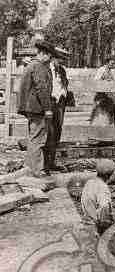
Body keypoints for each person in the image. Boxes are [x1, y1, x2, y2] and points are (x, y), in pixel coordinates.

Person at [17, 39, 55, 177]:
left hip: (32, 108)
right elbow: (42, 89)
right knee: (38, 139)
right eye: (50, 57)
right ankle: (37, 171)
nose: (50, 60)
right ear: (44, 54)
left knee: (33, 138)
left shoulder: (32, 65)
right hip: (37, 108)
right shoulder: (39, 66)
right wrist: (48, 108)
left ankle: (30, 167)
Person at [80, 159, 115, 235]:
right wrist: (106, 227)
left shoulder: (90, 183)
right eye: (114, 175)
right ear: (107, 176)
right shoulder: (103, 188)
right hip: (96, 228)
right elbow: (104, 207)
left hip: (87, 225)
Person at [46, 47, 70, 172]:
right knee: (48, 133)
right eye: (58, 59)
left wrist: (64, 94)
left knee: (57, 132)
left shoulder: (62, 70)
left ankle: (52, 162)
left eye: (62, 60)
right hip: (49, 103)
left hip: (60, 104)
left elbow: (65, 84)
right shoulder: (46, 69)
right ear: (53, 57)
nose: (60, 62)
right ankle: (45, 163)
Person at [92, 57, 115, 126]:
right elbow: (96, 80)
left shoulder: (111, 71)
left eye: (114, 63)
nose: (113, 65)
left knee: (109, 114)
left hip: (109, 96)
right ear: (107, 63)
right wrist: (104, 81)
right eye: (112, 63)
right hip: (102, 95)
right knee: (101, 114)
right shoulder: (101, 70)